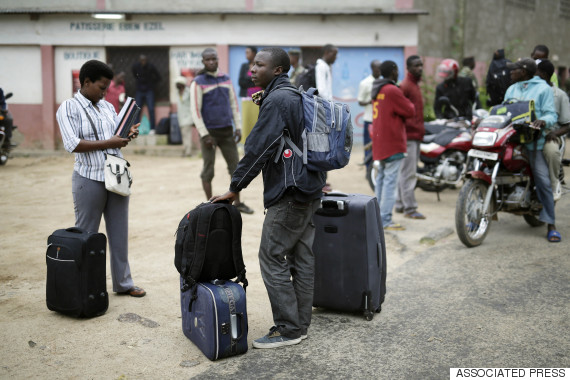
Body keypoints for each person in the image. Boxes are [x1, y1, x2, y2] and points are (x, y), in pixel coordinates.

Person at [210, 47, 325, 349]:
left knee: (271, 256)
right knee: (301, 257)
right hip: (310, 188)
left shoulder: (277, 100)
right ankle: (300, 325)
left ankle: (288, 328)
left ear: (277, 70)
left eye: (259, 64)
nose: (252, 68)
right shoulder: (295, 95)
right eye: (252, 63)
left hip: (290, 193)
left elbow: (258, 148)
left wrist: (236, 187)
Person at [55, 60, 146, 297]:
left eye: (107, 88)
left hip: (116, 176)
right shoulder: (68, 107)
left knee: (119, 234)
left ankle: (123, 284)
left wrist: (128, 134)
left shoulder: (106, 107)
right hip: (88, 178)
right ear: (86, 82)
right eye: (101, 87)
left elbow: (116, 136)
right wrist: (111, 142)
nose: (105, 92)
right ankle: (83, 288)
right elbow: (72, 144)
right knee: (86, 236)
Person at [190, 48, 254, 214]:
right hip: (209, 134)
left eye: (214, 59)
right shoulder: (198, 82)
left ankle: (238, 202)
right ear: (203, 62)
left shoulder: (226, 79)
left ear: (218, 60)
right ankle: (209, 206)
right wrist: (204, 135)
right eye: (208, 60)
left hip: (227, 131)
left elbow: (234, 104)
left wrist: (238, 127)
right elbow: (195, 110)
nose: (211, 62)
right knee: (208, 169)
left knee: (235, 167)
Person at [504, 58, 559, 242]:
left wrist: (544, 121)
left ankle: (551, 224)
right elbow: (504, 111)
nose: (511, 72)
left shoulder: (543, 89)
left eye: (514, 70)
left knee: (543, 179)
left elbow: (551, 114)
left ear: (525, 71)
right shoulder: (511, 88)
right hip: (511, 141)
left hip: (533, 143)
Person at [371, 60, 415, 231]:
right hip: (393, 143)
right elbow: (410, 110)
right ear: (394, 71)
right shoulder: (391, 90)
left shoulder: (378, 89)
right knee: (390, 181)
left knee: (382, 179)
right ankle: (386, 220)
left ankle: (377, 217)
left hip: (380, 143)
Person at [395, 55, 426, 220]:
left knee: (405, 171)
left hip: (414, 134)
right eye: (416, 66)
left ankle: (400, 204)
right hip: (409, 135)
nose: (419, 68)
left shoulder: (414, 85)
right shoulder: (406, 86)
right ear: (408, 68)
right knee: (409, 173)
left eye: (421, 65)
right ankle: (410, 208)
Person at [536, 60, 570, 200]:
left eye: (535, 73)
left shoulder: (560, 95)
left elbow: (567, 124)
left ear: (543, 75)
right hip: (531, 136)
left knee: (552, 151)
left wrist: (554, 133)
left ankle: (554, 183)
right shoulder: (531, 92)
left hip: (551, 135)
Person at [315, 44, 338, 191]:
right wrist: (331, 109)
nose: (336, 58)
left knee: (325, 147)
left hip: (325, 110)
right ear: (327, 53)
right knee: (321, 147)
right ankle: (319, 181)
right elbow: (322, 91)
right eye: (334, 54)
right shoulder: (321, 66)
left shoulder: (326, 67)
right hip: (323, 111)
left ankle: (322, 179)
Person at [357, 59, 382, 167]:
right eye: (377, 68)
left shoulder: (383, 82)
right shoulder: (365, 83)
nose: (379, 71)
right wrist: (370, 101)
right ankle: (368, 167)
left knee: (380, 145)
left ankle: (377, 165)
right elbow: (360, 101)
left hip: (380, 120)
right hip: (369, 120)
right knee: (368, 145)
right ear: (372, 69)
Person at [238, 46, 262, 144]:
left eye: (248, 52)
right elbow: (241, 82)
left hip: (259, 96)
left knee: (257, 121)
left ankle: (258, 144)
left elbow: (262, 80)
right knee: (246, 122)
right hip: (246, 97)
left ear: (254, 53)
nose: (246, 54)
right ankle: (246, 145)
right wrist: (254, 79)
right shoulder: (244, 66)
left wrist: (249, 80)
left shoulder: (260, 66)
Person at [132, 55, 161, 134]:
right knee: (137, 109)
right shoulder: (136, 66)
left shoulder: (151, 67)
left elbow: (158, 77)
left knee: (151, 109)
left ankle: (152, 129)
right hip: (139, 90)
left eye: (144, 60)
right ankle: (135, 128)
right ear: (139, 60)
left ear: (146, 60)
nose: (143, 62)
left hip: (149, 90)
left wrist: (151, 83)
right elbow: (134, 74)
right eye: (141, 60)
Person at [175, 76, 195, 157]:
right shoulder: (177, 93)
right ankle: (186, 150)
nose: (177, 85)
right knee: (184, 135)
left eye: (178, 84)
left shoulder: (189, 92)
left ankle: (188, 152)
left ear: (182, 84)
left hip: (188, 116)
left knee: (187, 135)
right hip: (181, 117)